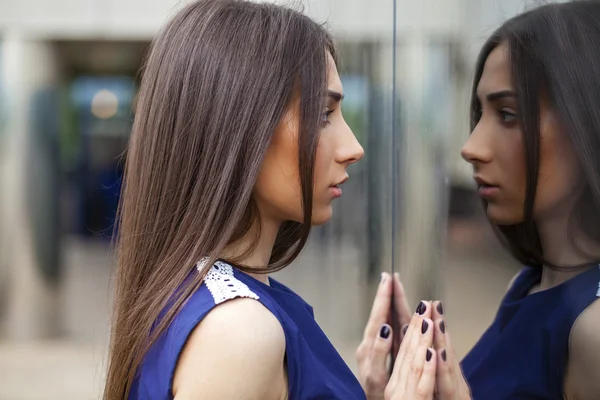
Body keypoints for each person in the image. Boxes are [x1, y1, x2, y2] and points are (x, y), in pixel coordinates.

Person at [103, 1, 438, 399]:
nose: (353, 147)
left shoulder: (206, 295)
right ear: (240, 126)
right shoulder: (239, 332)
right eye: (322, 113)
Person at [364, 2, 600, 399]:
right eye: (480, 114)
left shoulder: (591, 331)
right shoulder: (528, 286)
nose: (472, 147)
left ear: (586, 122)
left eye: (508, 114)